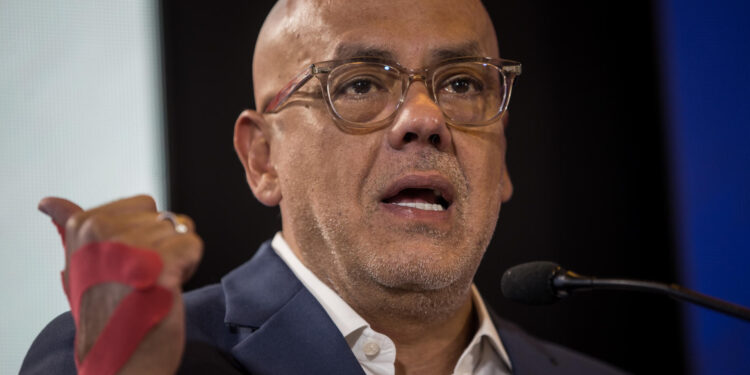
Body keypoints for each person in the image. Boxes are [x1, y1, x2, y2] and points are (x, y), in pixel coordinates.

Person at [22, 0, 627, 374]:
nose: (425, 119)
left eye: (464, 84)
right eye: (360, 84)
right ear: (263, 158)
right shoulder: (117, 359)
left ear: (504, 155)